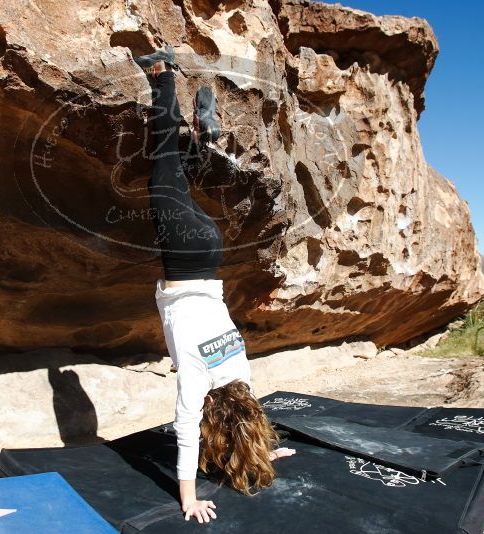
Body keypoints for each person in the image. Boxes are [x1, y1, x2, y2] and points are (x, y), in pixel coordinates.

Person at [132, 44, 296, 525]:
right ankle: (163, 73)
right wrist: (188, 499)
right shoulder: (201, 383)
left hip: (209, 254)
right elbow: (185, 437)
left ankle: (205, 136)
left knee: (179, 181)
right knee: (163, 165)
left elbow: (248, 414)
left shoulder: (240, 376)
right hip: (183, 264)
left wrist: (265, 447)